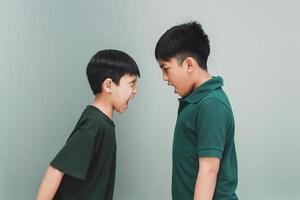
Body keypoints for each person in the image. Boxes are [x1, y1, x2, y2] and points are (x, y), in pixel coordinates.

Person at [36, 49, 140, 200]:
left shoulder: (101, 123)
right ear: (109, 85)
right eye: (131, 84)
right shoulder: (94, 124)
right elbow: (55, 170)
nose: (135, 91)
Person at [155, 21, 238, 200]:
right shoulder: (197, 101)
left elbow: (209, 170)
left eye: (166, 69)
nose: (164, 78)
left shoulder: (212, 105)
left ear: (189, 65)